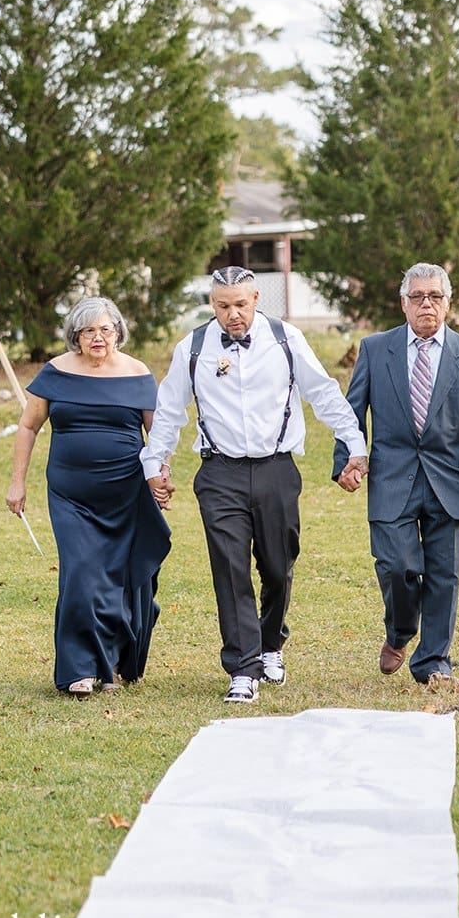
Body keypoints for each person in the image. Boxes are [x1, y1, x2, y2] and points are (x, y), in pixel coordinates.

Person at [142, 266, 368, 704]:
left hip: (276, 469)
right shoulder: (193, 348)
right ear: (213, 304)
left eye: (240, 305)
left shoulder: (285, 340)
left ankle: (270, 644)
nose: (233, 315)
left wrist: (354, 443)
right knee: (230, 568)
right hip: (219, 473)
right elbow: (169, 411)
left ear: (256, 299)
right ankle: (242, 668)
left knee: (278, 567)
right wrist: (156, 463)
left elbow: (323, 393)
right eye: (223, 306)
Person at [334, 262, 459, 686]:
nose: (426, 304)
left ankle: (433, 661)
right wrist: (346, 460)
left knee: (444, 576)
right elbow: (351, 412)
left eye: (435, 296)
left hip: (449, 480)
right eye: (417, 297)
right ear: (403, 304)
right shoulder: (375, 349)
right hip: (391, 478)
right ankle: (399, 632)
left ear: (448, 303)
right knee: (397, 566)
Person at [7, 296, 171, 697]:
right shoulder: (55, 373)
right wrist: (17, 482)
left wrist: (161, 477)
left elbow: (159, 437)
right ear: (74, 336)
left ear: (118, 331)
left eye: (105, 329)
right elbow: (28, 427)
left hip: (127, 492)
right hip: (71, 494)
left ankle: (111, 660)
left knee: (120, 579)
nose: (98, 338)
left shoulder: (138, 374)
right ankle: (79, 669)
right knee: (81, 576)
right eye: (88, 331)